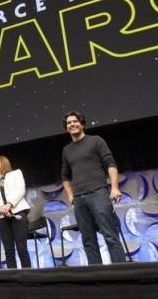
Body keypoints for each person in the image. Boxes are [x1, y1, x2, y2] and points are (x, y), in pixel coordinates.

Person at [61, 110, 126, 265]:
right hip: (79, 200)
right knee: (88, 239)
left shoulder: (96, 141)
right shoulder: (67, 150)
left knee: (110, 235)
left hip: (98, 193)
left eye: (75, 121)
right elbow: (65, 175)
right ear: (66, 128)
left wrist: (115, 187)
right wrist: (70, 195)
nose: (72, 124)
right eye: (69, 123)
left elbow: (110, 164)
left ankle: (122, 273)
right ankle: (97, 276)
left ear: (82, 124)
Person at [0, 156, 31, 269]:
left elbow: (21, 189)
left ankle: (29, 276)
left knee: (21, 247)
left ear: (2, 161)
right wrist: (0, 208)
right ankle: (13, 279)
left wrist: (9, 205)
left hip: (18, 212)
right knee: (8, 250)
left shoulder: (16, 173)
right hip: (2, 216)